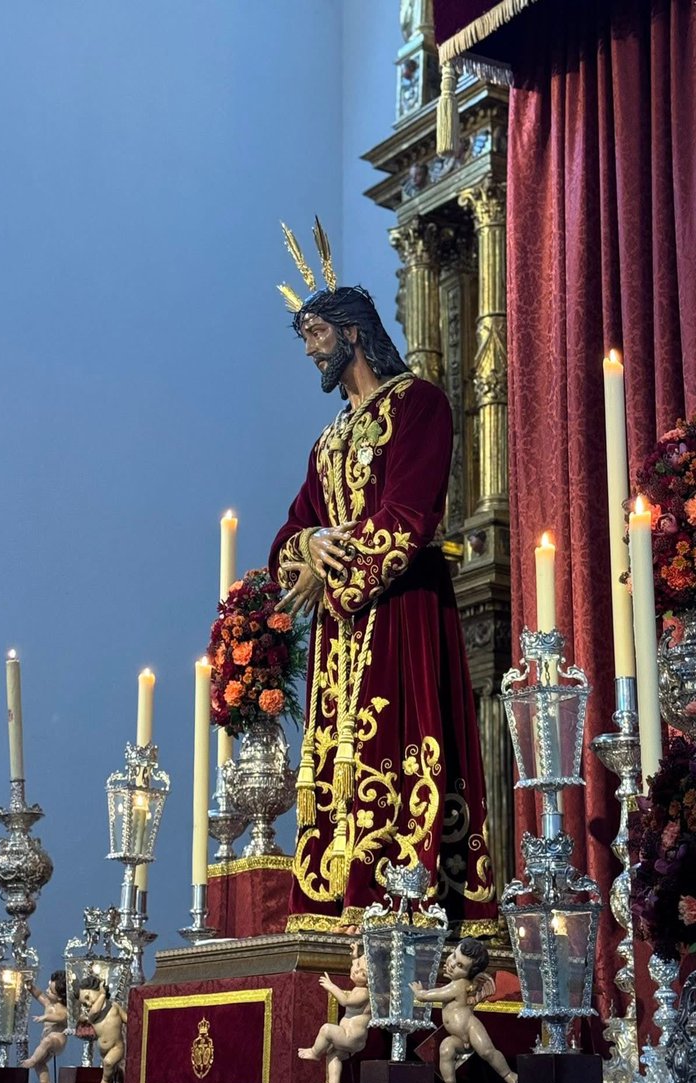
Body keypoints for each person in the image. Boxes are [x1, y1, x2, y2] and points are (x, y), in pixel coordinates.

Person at [270, 221, 498, 935]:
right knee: (337, 760)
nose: (309, 350)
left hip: (402, 613)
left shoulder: (420, 405)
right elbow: (289, 532)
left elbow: (409, 512)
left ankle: (407, 903)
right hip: (342, 635)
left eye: (315, 335)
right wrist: (310, 543)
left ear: (351, 333)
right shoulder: (329, 440)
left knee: (400, 749)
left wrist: (330, 568)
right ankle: (336, 899)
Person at [410, 937, 517, 1083]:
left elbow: (438, 994)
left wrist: (421, 994)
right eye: (453, 956)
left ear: (469, 973)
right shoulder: (457, 983)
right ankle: (450, 1082)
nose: (452, 963)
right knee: (446, 1048)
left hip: (470, 1027)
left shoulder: (459, 985)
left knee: (487, 1052)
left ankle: (510, 1075)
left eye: (460, 965)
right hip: (457, 1036)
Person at [297, 943, 371, 1083]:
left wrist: (331, 986)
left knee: (326, 1029)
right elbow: (356, 963)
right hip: (350, 1036)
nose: (356, 970)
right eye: (356, 967)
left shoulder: (364, 993)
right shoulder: (360, 987)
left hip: (351, 1037)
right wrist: (355, 956)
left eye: (362, 973)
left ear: (371, 981)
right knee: (333, 1054)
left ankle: (315, 1053)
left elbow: (345, 1001)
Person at [77, 974, 127, 1083]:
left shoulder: (114, 1007)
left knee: (108, 1063)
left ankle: (105, 1082)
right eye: (84, 1003)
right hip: (103, 1049)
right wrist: (102, 995)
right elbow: (94, 1011)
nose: (88, 1004)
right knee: (113, 1069)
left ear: (99, 990)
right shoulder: (92, 1015)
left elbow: (127, 1019)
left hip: (117, 1046)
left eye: (88, 998)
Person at [21, 970, 68, 1083]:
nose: (47, 990)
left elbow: (61, 1017)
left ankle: (32, 1061)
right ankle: (45, 1082)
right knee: (40, 1061)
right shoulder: (48, 1003)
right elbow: (39, 995)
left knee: (46, 1043)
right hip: (46, 1041)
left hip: (57, 1041)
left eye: (51, 990)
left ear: (59, 997)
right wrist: (31, 987)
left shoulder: (63, 1009)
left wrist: (45, 1017)